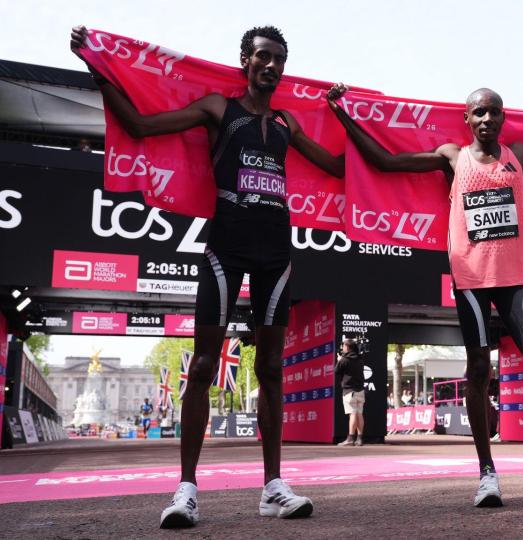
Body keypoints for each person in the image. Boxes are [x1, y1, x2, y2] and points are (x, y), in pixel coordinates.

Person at [71, 25, 345, 527]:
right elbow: (138, 125)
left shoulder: (287, 122)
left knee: (270, 371)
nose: (271, 65)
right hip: (226, 250)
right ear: (245, 60)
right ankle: (186, 491)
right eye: (262, 56)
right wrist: (97, 65)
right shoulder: (219, 110)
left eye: (278, 59)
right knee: (201, 367)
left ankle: (272, 488)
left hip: (276, 256)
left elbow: (340, 166)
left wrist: (349, 113)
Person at [327, 84, 523, 507]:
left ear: (503, 117)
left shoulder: (520, 155)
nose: (486, 119)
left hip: (515, 276)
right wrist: (344, 114)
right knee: (479, 368)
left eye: (493, 112)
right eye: (478, 112)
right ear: (467, 119)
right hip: (472, 276)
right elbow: (385, 162)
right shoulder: (452, 157)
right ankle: (487, 475)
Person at [335, 339, 366, 446]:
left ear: (347, 347)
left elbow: (336, 371)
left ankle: (350, 438)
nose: (342, 348)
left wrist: (339, 360)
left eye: (343, 346)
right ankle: (360, 438)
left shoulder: (344, 360)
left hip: (349, 391)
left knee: (352, 414)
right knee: (359, 414)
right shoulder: (360, 359)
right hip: (360, 390)